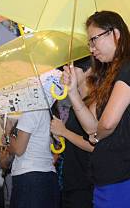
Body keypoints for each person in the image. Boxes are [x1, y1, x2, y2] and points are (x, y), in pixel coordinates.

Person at [62, 11, 130, 207]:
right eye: (90, 43)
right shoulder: (108, 78)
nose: (92, 48)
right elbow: (91, 126)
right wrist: (72, 92)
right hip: (106, 179)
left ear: (115, 33)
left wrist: (96, 137)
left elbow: (107, 123)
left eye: (94, 40)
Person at [50, 61, 94, 208]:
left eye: (72, 67)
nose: (66, 71)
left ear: (88, 71)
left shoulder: (94, 102)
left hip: (85, 183)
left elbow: (94, 144)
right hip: (71, 180)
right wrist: (61, 134)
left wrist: (64, 132)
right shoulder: (77, 103)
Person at [6, 107, 59, 208]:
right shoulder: (46, 109)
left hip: (30, 178)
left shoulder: (31, 110)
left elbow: (18, 150)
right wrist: (10, 140)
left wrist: (8, 133)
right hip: (44, 176)